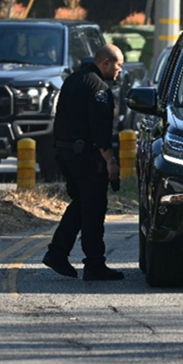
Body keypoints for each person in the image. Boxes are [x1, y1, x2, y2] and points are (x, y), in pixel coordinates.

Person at [41, 44, 125, 281]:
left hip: (66, 154)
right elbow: (100, 129)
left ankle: (57, 253)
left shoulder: (74, 80)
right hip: (87, 157)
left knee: (81, 204)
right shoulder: (98, 87)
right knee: (94, 209)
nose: (120, 70)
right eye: (118, 65)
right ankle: (94, 265)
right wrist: (110, 160)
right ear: (105, 63)